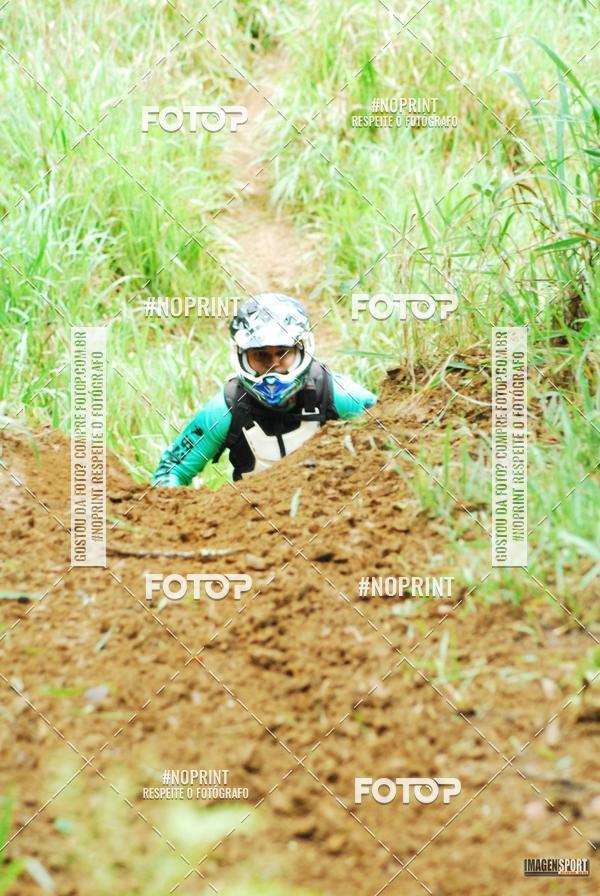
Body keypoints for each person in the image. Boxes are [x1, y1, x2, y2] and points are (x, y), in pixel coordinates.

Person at [152, 293, 377, 485]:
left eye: (283, 353)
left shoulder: (334, 392)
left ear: (301, 349)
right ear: (242, 355)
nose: (273, 366)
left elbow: (392, 430)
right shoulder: (227, 407)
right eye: (260, 355)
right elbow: (171, 469)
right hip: (251, 528)